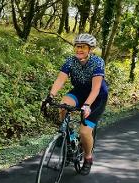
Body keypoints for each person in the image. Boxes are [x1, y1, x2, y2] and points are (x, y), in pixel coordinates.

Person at [41, 33, 108, 175]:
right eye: (77, 46)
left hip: (97, 97)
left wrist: (87, 105)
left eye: (83, 47)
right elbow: (60, 80)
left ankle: (88, 158)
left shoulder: (97, 62)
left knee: (84, 132)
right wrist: (50, 97)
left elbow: (96, 89)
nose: (79, 50)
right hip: (79, 92)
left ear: (90, 49)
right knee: (63, 105)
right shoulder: (70, 61)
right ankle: (68, 138)